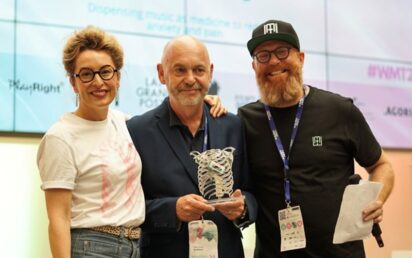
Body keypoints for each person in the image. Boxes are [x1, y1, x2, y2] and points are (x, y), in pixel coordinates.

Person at [37, 27, 225, 258]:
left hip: (134, 247)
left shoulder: (124, 123)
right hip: (90, 247)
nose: (98, 82)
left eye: (106, 72)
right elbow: (58, 219)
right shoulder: (61, 137)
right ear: (74, 82)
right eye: (86, 74)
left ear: (117, 77)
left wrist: (201, 100)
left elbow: (167, 113)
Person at [238, 20, 395, 258]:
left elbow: (381, 165)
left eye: (282, 51)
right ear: (254, 66)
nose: (273, 61)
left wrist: (378, 199)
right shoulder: (245, 119)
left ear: (300, 58)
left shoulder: (339, 110)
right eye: (263, 55)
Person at [127, 35, 257, 258]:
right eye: (180, 70)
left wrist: (243, 207)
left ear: (210, 73)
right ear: (161, 73)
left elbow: (253, 190)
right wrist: (172, 210)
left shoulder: (233, 126)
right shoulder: (136, 131)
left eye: (198, 70)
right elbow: (127, 207)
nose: (190, 79)